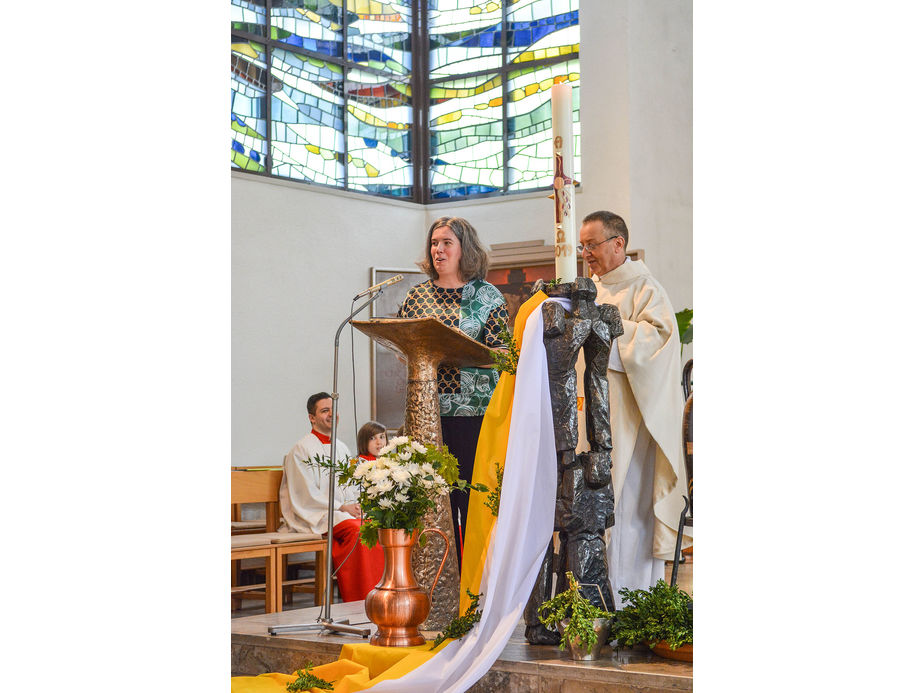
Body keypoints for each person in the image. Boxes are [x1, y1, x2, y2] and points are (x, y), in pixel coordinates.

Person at [576, 210, 691, 603]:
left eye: (592, 244)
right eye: (583, 246)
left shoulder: (645, 288)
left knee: (627, 512)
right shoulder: (587, 291)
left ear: (618, 243)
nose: (586, 253)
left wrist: (606, 332)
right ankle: (593, 603)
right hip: (590, 418)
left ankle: (629, 603)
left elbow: (659, 341)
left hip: (631, 420)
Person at [397, 216, 509, 566]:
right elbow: (406, 348)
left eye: (447, 242)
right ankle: (436, 581)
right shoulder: (417, 297)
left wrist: (461, 354)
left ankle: (474, 585)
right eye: (434, 243)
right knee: (431, 503)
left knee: (470, 505)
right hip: (429, 414)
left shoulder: (487, 296)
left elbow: (505, 354)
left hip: (474, 416)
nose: (438, 249)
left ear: (465, 249)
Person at [279, 392, 384, 602]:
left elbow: (351, 485)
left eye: (333, 410)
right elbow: (305, 494)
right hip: (315, 513)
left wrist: (354, 504)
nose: (331, 414)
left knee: (376, 527)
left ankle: (380, 597)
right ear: (312, 417)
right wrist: (341, 507)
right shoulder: (301, 449)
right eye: (324, 410)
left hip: (340, 513)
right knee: (359, 531)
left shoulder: (341, 447)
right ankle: (360, 600)